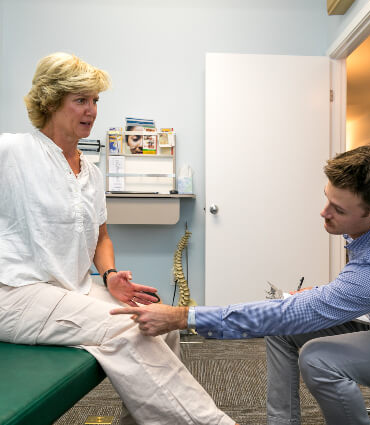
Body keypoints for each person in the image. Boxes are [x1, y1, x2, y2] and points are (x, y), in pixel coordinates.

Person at [0, 52, 237, 425]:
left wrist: (110, 276)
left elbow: (101, 236)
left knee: (158, 319)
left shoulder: (90, 173)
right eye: (80, 100)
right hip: (16, 293)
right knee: (132, 325)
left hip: (72, 288)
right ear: (50, 102)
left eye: (95, 101)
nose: (92, 110)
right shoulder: (13, 151)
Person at [112, 145, 370, 425]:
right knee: (283, 327)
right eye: (327, 199)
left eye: (339, 210)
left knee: (319, 358)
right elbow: (360, 284)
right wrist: (323, 295)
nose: (323, 213)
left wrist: (183, 317)